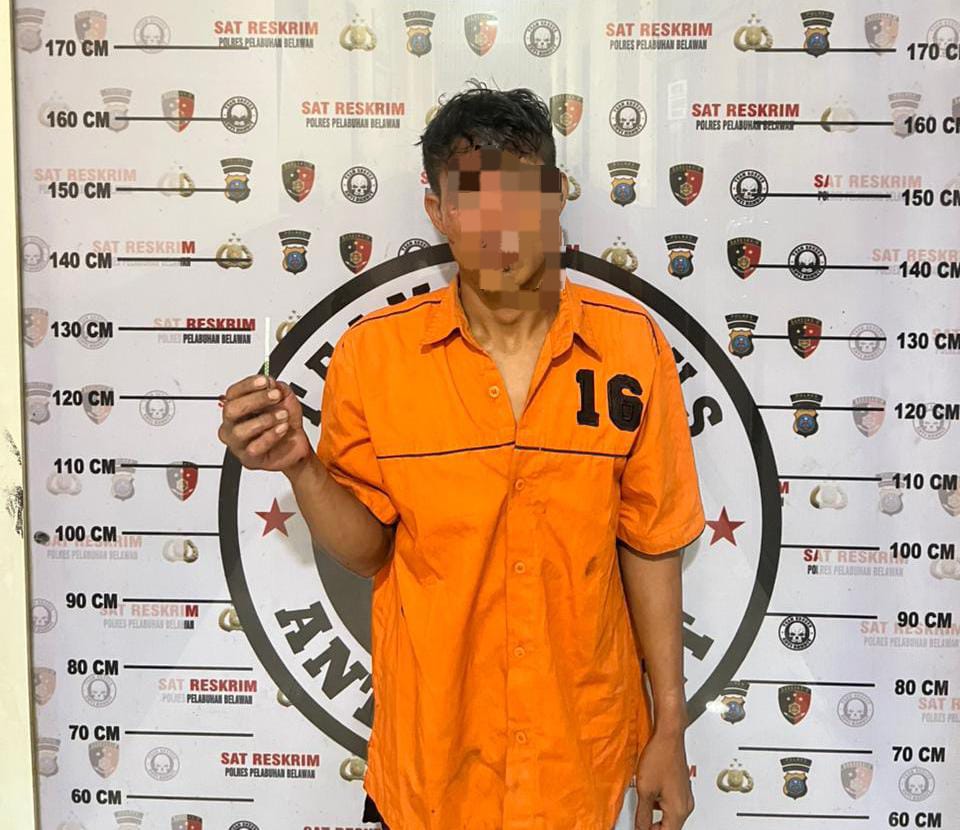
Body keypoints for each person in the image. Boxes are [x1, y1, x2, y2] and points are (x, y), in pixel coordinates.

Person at [218, 84, 705, 830]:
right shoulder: (373, 356)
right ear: (438, 211)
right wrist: (300, 465)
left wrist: (670, 724)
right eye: (472, 199)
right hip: (428, 771)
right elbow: (368, 549)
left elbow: (652, 543)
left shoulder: (630, 346)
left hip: (580, 769)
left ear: (555, 197)